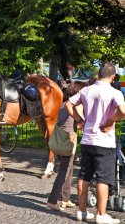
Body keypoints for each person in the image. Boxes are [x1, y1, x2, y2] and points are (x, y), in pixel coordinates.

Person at [66, 62, 125, 224]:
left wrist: (79, 120)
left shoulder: (86, 90)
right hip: (105, 143)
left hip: (87, 140)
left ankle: (82, 211)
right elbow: (123, 112)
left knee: (84, 175)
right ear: (113, 77)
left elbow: (68, 104)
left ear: (99, 75)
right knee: (103, 178)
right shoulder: (114, 92)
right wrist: (110, 121)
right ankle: (101, 214)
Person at [46, 81, 86, 211]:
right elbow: (75, 125)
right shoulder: (72, 106)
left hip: (61, 141)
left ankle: (65, 198)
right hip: (67, 142)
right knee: (64, 171)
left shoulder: (64, 104)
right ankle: (52, 201)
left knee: (68, 170)